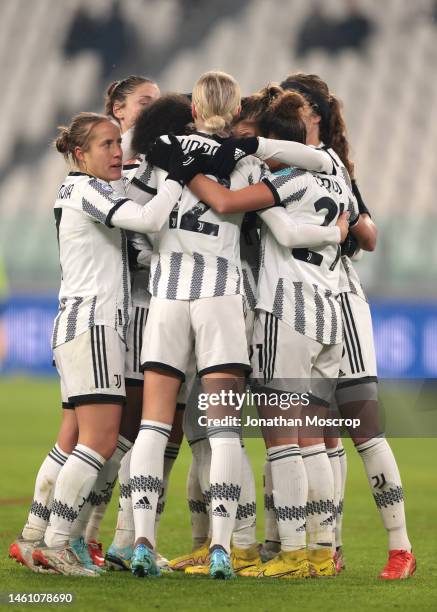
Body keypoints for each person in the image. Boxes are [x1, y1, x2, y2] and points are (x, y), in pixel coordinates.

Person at [17, 111, 201, 577]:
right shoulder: (86, 188)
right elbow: (149, 217)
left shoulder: (85, 189)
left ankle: (39, 539)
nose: (117, 152)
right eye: (105, 145)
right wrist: (178, 177)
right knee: (98, 441)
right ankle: (59, 543)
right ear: (80, 154)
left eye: (118, 142)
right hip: (94, 324)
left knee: (87, 438)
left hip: (84, 324)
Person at [185, 90, 354, 578]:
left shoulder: (284, 181)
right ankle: (322, 552)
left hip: (289, 312)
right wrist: (335, 234)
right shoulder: (337, 173)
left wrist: (185, 166)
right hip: (328, 313)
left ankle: (292, 555)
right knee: (314, 439)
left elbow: (228, 202)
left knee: (283, 442)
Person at [281, 72, 416, 580]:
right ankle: (327, 546)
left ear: (312, 114)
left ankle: (400, 546)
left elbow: (370, 234)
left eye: (291, 104)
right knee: (316, 432)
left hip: (340, 298)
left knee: (361, 425)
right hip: (298, 304)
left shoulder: (333, 165)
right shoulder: (277, 162)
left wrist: (348, 218)